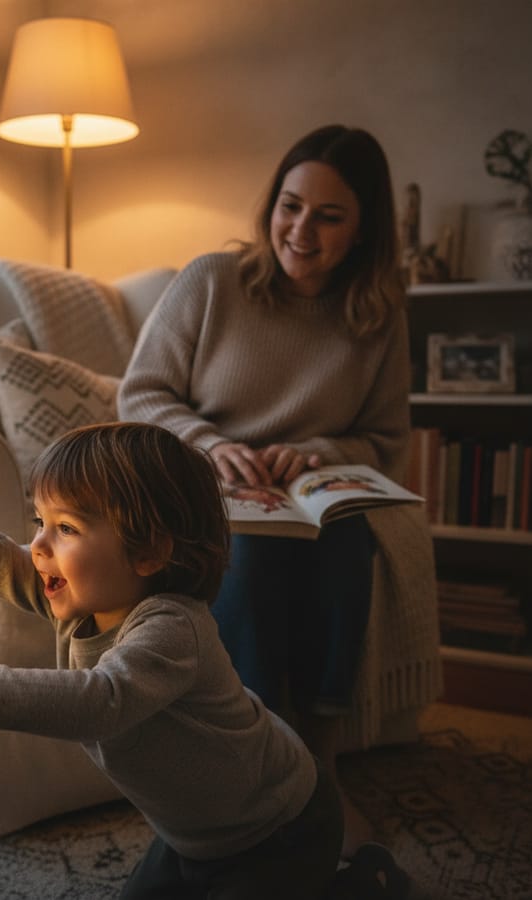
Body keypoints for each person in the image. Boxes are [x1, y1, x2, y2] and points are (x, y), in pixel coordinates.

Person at [0, 415, 343, 899]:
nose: (37, 546)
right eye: (40, 522)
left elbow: (99, 702)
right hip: (193, 838)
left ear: (149, 552)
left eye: (67, 529)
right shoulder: (84, 602)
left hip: (281, 829)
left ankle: (361, 881)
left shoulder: (173, 628)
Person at [117, 124, 412, 858]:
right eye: (290, 205)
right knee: (245, 555)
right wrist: (214, 446)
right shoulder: (212, 281)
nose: (301, 231)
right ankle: (256, 751)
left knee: (347, 542)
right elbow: (140, 394)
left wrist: (311, 452)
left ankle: (321, 755)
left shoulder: (377, 314)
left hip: (307, 492)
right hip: (203, 488)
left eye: (329, 216)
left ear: (363, 229)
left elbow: (384, 440)